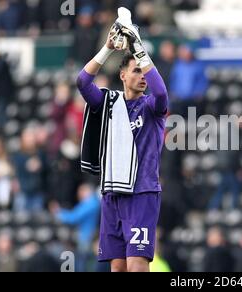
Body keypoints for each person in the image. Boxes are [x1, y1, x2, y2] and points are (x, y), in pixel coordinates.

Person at [76, 8, 168, 272]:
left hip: (142, 192)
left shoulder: (151, 106)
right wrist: (107, 48)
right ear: (122, 75)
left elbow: (161, 91)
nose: (143, 77)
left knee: (137, 265)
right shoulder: (108, 102)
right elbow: (83, 81)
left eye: (144, 72)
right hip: (113, 191)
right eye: (136, 71)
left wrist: (138, 47)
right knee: (117, 267)